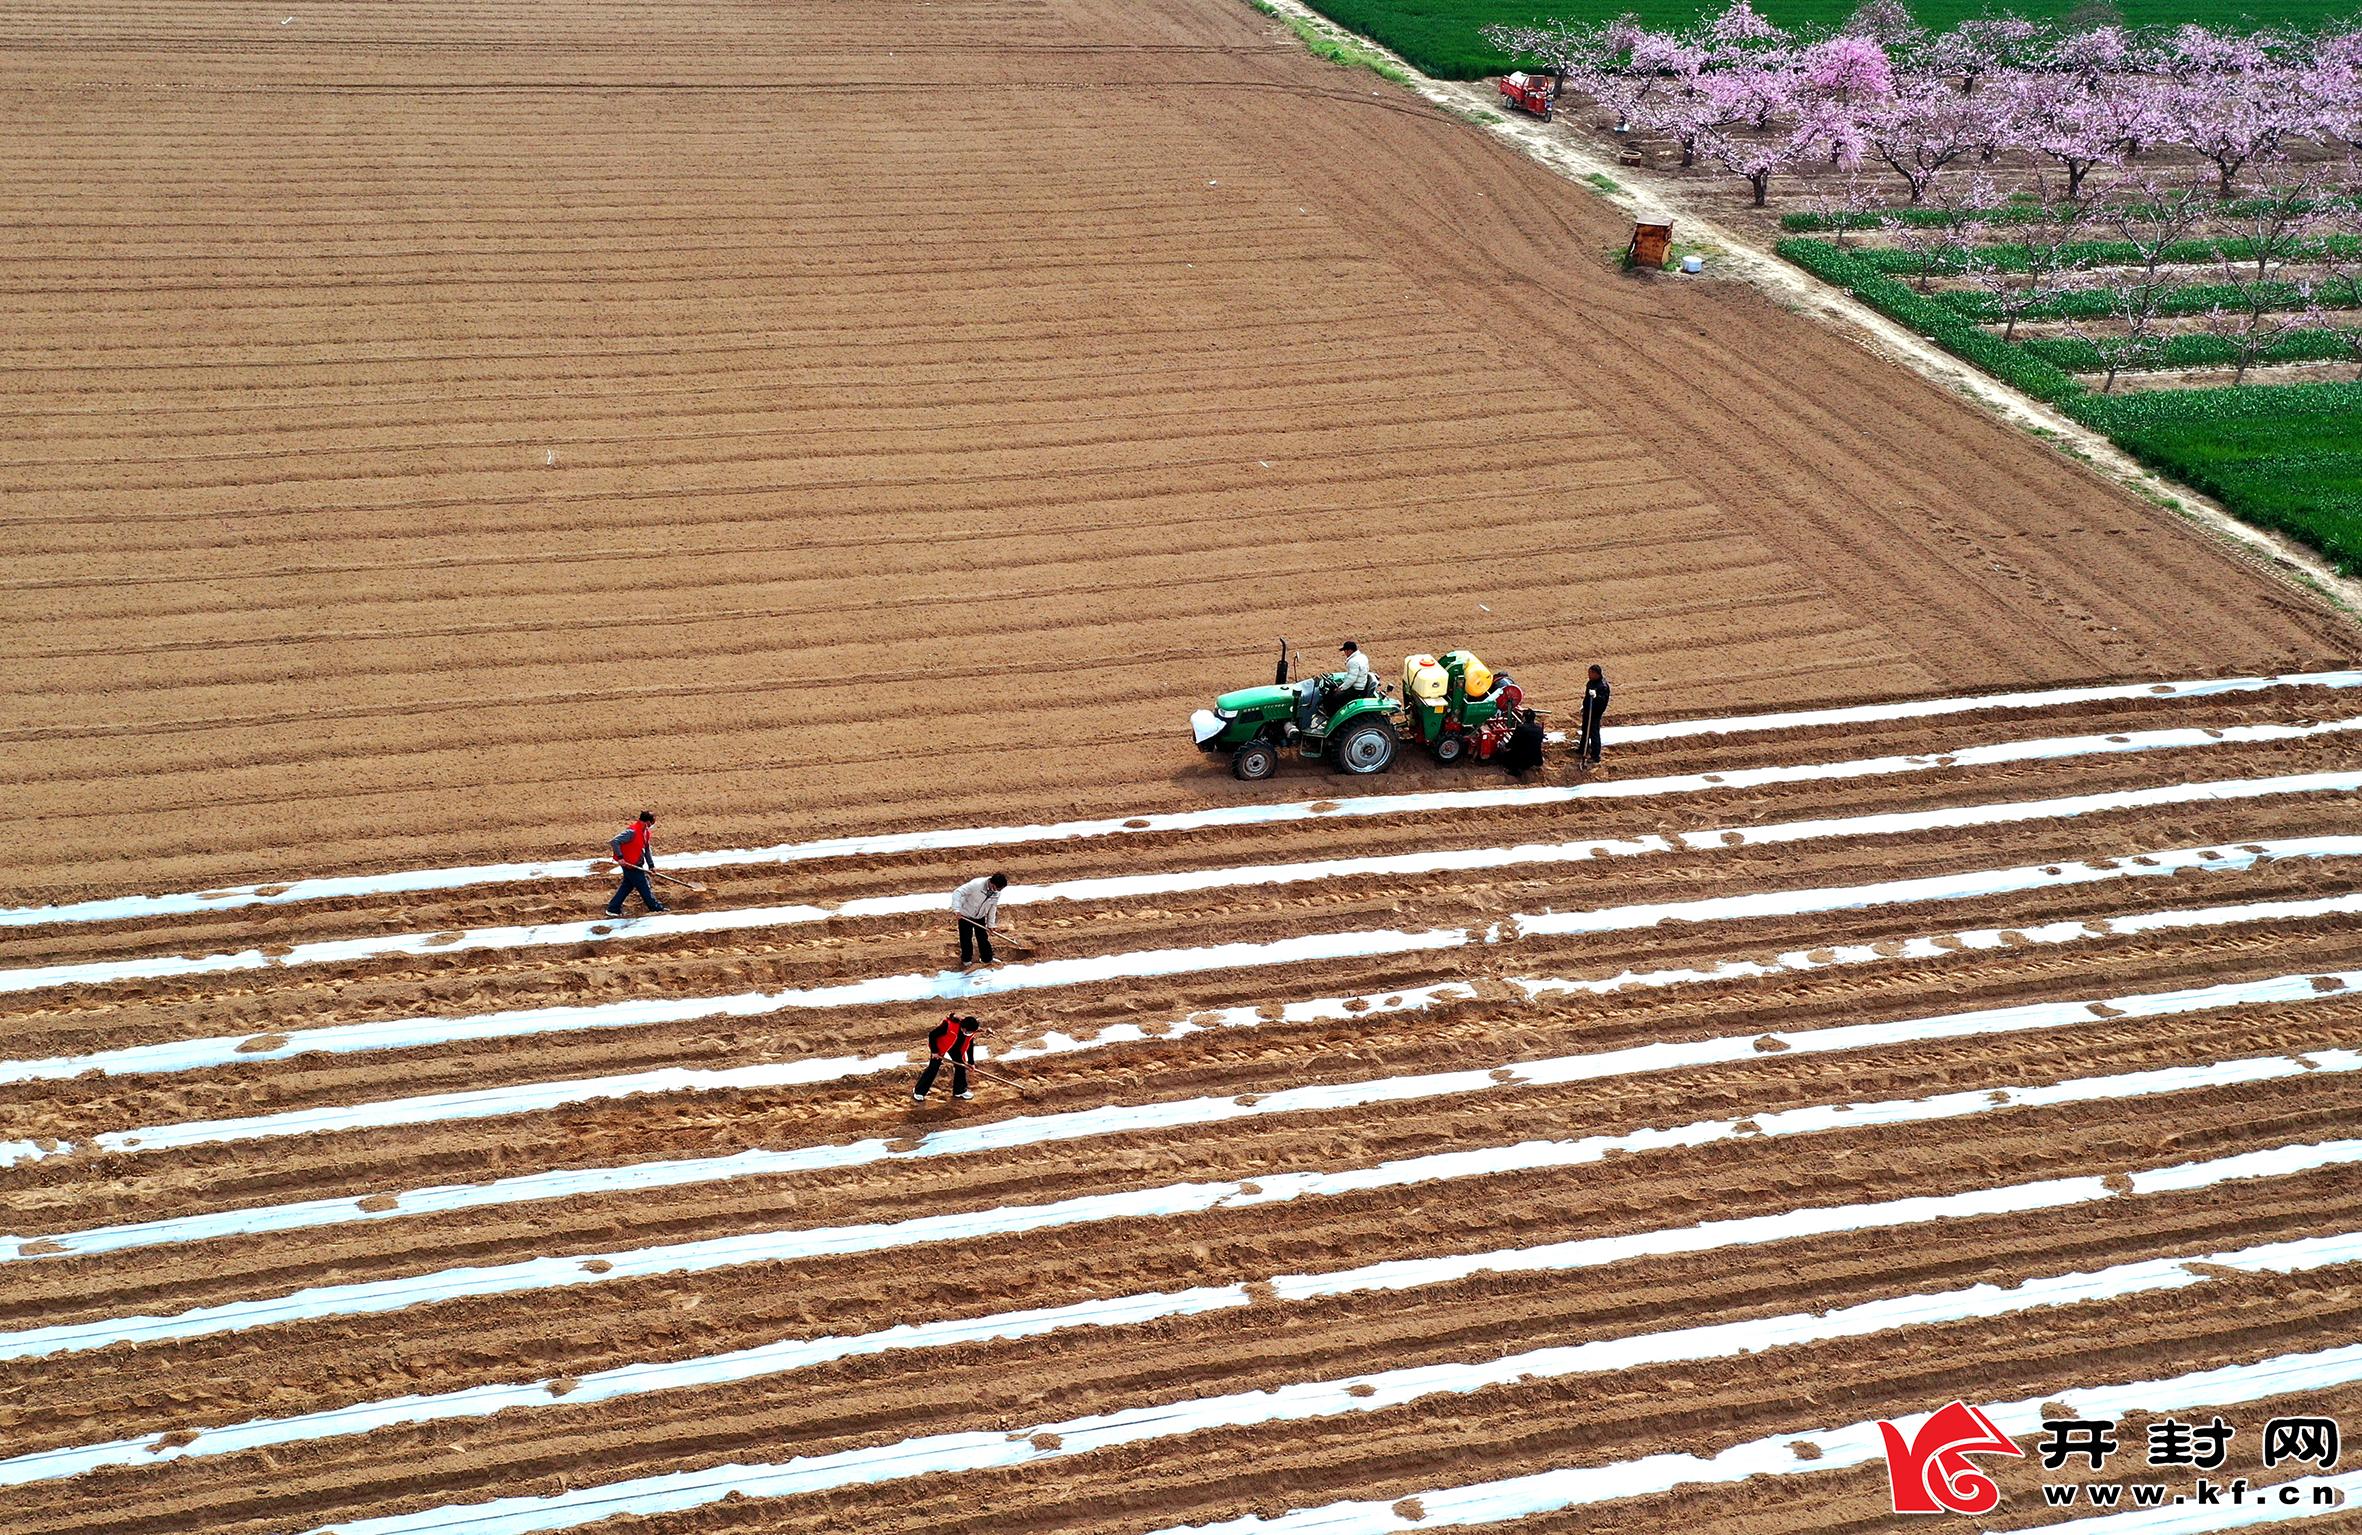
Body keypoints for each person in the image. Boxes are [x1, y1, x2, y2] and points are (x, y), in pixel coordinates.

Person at [605, 811, 666, 915]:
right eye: (652, 823)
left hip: (637, 863)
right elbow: (614, 841)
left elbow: (646, 849)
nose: (652, 825)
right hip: (629, 864)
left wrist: (651, 865)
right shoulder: (632, 832)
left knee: (627, 886)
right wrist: (620, 858)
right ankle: (655, 907)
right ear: (647, 822)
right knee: (644, 886)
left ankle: (613, 908)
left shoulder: (646, 832)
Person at [913, 1013, 983, 1101]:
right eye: (968, 1032)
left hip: (955, 1047)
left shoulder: (971, 1030)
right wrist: (934, 1051)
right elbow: (932, 1035)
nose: (969, 1033)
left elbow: (970, 1045)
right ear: (964, 1028)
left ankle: (960, 1091)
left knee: (961, 1066)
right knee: (933, 1067)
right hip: (941, 1046)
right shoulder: (949, 1026)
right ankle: (919, 1091)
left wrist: (971, 1062)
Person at [951, 871, 1009, 966]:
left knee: (983, 938)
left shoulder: (996, 893)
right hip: (965, 915)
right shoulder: (976, 885)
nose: (996, 891)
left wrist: (991, 924)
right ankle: (966, 960)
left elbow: (992, 908)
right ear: (991, 882)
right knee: (966, 938)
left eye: (998, 890)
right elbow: (958, 892)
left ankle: (987, 959)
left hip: (980, 916)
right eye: (995, 888)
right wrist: (956, 909)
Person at [1578, 665, 1611, 768]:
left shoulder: (1603, 686)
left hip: (1595, 712)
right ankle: (1583, 748)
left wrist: (1596, 697)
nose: (1589, 675)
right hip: (1588, 710)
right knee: (1585, 729)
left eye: (1590, 673)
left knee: (1594, 732)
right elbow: (1587, 697)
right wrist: (1584, 705)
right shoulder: (1590, 683)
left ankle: (1595, 755)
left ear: (1596, 673)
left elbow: (1602, 701)